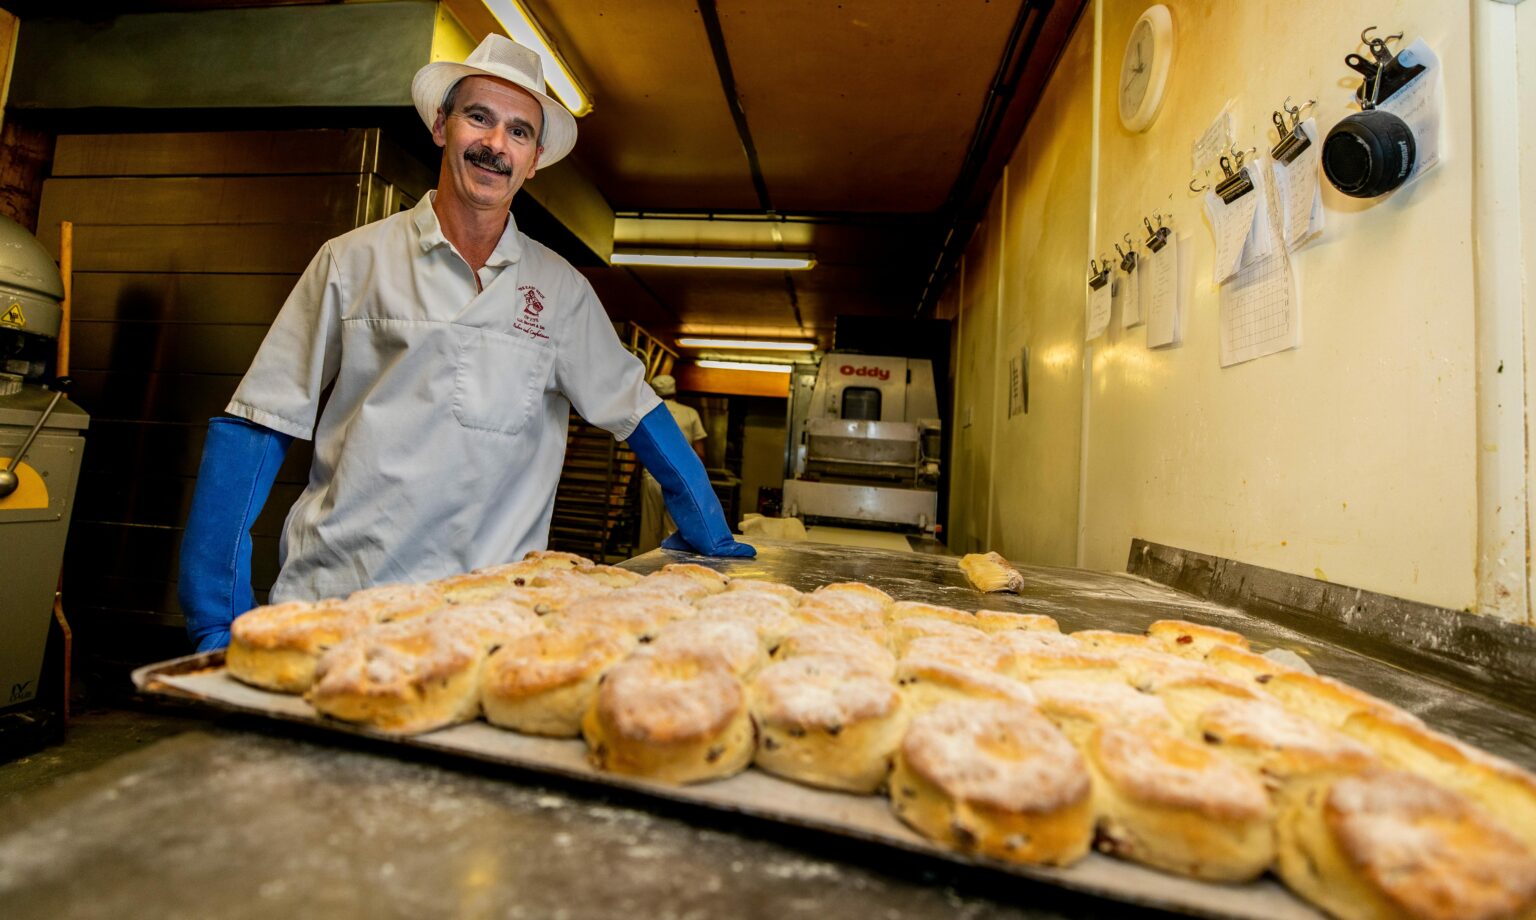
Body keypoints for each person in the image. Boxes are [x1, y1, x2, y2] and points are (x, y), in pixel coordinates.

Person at [177, 35, 753, 653]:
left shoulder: (559, 290)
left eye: (519, 132)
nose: (495, 144)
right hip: (341, 600)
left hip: (489, 619)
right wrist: (215, 612)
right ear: (440, 126)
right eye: (478, 117)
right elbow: (262, 421)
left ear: (533, 161)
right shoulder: (352, 261)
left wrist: (705, 524)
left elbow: (635, 410)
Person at [638, 375, 705, 551]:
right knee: (675, 526)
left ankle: (643, 570)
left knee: (649, 526)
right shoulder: (690, 413)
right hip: (680, 477)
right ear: (675, 391)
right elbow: (700, 452)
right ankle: (671, 567)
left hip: (652, 475)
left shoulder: (645, 412)